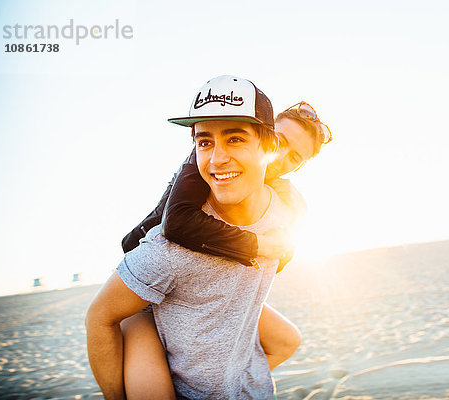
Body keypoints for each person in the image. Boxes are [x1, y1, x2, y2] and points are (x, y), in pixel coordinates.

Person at [86, 76, 328, 399]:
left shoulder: (282, 199)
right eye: (281, 142)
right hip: (146, 271)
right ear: (270, 136)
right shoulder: (197, 175)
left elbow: (283, 241)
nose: (282, 158)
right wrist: (257, 245)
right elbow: (177, 224)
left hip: (201, 283)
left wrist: (289, 236)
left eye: (294, 158)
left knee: (287, 339)